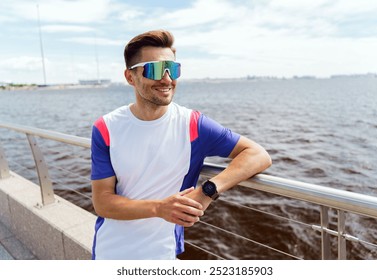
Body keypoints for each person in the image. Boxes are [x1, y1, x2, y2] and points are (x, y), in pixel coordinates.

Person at [90, 30, 272, 260]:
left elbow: (258, 155)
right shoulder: (106, 127)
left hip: (162, 253)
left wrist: (207, 191)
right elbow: (103, 202)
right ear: (130, 77)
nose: (167, 79)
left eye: (173, 69)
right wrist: (158, 208)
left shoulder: (193, 124)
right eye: (155, 69)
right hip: (110, 251)